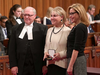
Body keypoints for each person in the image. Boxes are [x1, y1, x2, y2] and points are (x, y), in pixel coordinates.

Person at [8, 6, 48, 75]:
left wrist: (45, 65)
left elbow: (45, 48)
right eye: (25, 15)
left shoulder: (42, 28)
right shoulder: (16, 29)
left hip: (37, 66)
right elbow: (11, 49)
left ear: (34, 16)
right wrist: (13, 65)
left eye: (29, 15)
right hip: (21, 66)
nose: (27, 17)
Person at [43, 6, 71, 75]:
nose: (52, 18)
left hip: (61, 65)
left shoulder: (68, 31)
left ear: (62, 17)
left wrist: (60, 55)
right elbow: (46, 46)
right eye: (51, 16)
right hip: (50, 65)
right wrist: (45, 52)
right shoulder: (49, 30)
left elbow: (71, 50)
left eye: (55, 16)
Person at [66, 3, 90, 75]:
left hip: (77, 60)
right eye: (69, 14)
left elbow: (76, 48)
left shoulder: (80, 27)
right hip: (74, 59)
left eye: (72, 13)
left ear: (79, 13)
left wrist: (70, 66)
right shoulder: (77, 26)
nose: (70, 16)